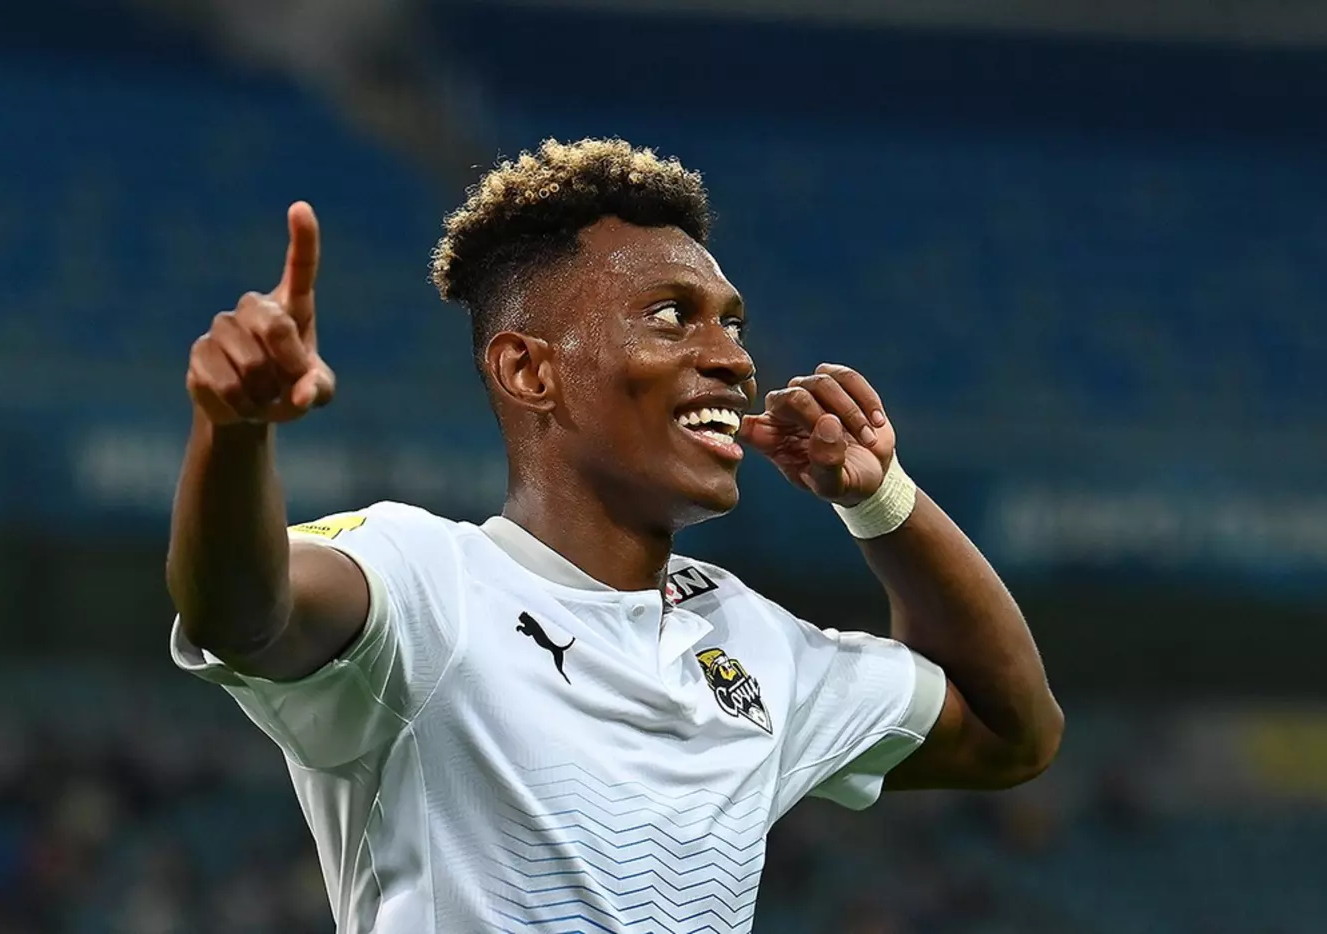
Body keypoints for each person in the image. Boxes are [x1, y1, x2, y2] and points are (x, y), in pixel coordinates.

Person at [167, 138, 1064, 934]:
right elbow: (243, 612)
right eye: (671, 315)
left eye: (732, 322)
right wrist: (233, 432)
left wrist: (884, 500)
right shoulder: (427, 582)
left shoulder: (753, 643)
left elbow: (1012, 732)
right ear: (529, 370)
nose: (735, 359)